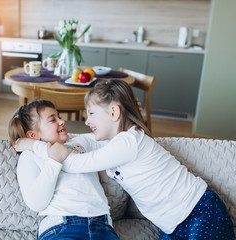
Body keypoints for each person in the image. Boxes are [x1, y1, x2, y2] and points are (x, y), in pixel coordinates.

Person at [23, 80, 235, 240]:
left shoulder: (128, 142)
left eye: (92, 114)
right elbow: (78, 144)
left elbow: (71, 162)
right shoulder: (115, 143)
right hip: (172, 225)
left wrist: (35, 146)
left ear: (114, 112)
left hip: (199, 212)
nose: (87, 122)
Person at [8, 99, 120, 240]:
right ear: (33, 135)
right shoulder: (30, 155)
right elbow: (36, 202)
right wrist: (53, 161)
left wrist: (121, 114)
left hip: (102, 225)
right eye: (52, 120)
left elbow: (116, 139)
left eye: (59, 116)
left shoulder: (82, 142)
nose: (62, 121)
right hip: (61, 226)